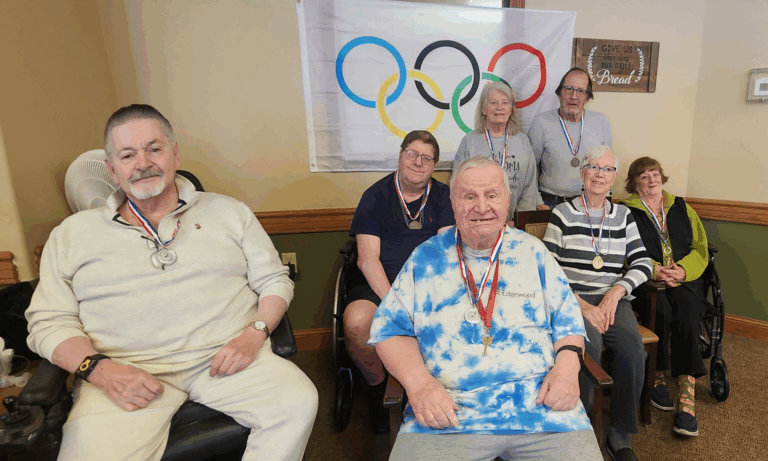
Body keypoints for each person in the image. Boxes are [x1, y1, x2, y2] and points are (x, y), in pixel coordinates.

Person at [25, 104, 318, 461]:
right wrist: (99, 371)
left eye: (154, 148)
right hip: (125, 372)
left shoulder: (229, 212)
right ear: (112, 170)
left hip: (227, 359)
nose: (143, 162)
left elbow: (274, 280)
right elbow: (47, 322)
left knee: (297, 403)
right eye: (128, 154)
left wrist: (254, 333)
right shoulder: (71, 234)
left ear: (175, 154)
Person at [370, 156, 601, 461]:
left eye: (491, 195)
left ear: (507, 200)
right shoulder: (424, 259)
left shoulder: (534, 252)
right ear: (453, 203)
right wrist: (419, 384)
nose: (481, 207)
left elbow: (568, 321)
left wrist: (569, 368)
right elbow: (389, 330)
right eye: (469, 196)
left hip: (544, 409)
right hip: (448, 413)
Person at [543, 145, 652, 461]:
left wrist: (616, 293)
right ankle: (582, 431)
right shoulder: (563, 213)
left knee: (633, 350)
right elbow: (548, 269)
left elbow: (642, 262)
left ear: (615, 177)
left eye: (607, 169)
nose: (600, 174)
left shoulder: (623, 215)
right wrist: (582, 306)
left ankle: (619, 434)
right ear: (582, 172)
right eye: (594, 167)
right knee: (586, 351)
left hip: (613, 299)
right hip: (572, 301)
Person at [345, 130, 455, 433]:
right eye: (412, 154)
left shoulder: (444, 195)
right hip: (381, 282)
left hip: (428, 282)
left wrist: (424, 295)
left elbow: (446, 252)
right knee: (357, 321)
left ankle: (437, 389)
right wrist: (395, 300)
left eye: (426, 159)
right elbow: (368, 259)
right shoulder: (375, 196)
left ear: (433, 166)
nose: (418, 163)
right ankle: (380, 392)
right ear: (401, 155)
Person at [621, 157, 709, 437]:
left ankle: (686, 389)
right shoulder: (626, 211)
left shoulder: (682, 207)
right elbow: (623, 251)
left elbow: (701, 247)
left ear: (662, 177)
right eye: (643, 176)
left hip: (684, 280)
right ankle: (656, 374)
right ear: (635, 183)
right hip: (648, 281)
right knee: (660, 311)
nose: (651, 180)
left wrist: (682, 271)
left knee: (688, 310)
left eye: (655, 173)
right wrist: (655, 270)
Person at [452, 82, 547, 222]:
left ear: (511, 109)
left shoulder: (523, 141)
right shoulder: (469, 142)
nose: (499, 108)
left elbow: (530, 186)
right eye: (493, 103)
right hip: (479, 220)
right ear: (483, 109)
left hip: (515, 223)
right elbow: (458, 187)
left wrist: (519, 220)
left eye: (505, 103)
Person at [528, 67, 613, 209]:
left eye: (581, 91)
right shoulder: (541, 122)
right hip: (551, 203)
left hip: (590, 203)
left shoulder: (601, 121)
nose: (574, 96)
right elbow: (530, 169)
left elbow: (607, 168)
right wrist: (537, 201)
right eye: (569, 89)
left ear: (587, 98)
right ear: (559, 93)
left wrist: (606, 199)